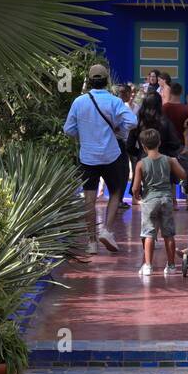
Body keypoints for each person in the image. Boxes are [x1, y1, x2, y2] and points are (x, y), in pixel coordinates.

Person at [64, 64, 136, 254]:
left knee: (89, 198)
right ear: (107, 81)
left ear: (89, 81)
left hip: (88, 156)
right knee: (115, 192)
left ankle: (91, 241)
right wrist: (119, 128)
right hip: (111, 155)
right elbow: (133, 122)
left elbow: (68, 130)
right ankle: (107, 230)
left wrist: (85, 131)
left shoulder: (79, 102)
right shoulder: (114, 101)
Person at [132, 128, 186, 276]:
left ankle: (148, 266)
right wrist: (175, 163)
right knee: (168, 234)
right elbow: (183, 175)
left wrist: (137, 195)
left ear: (143, 146)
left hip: (150, 200)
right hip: (166, 199)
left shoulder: (141, 164)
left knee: (148, 233)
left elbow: (135, 187)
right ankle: (171, 266)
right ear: (160, 143)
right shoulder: (168, 160)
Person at [132, 91, 183, 159]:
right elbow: (175, 143)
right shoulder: (165, 122)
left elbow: (129, 146)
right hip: (162, 160)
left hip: (143, 160)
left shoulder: (138, 122)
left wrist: (141, 154)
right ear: (159, 104)